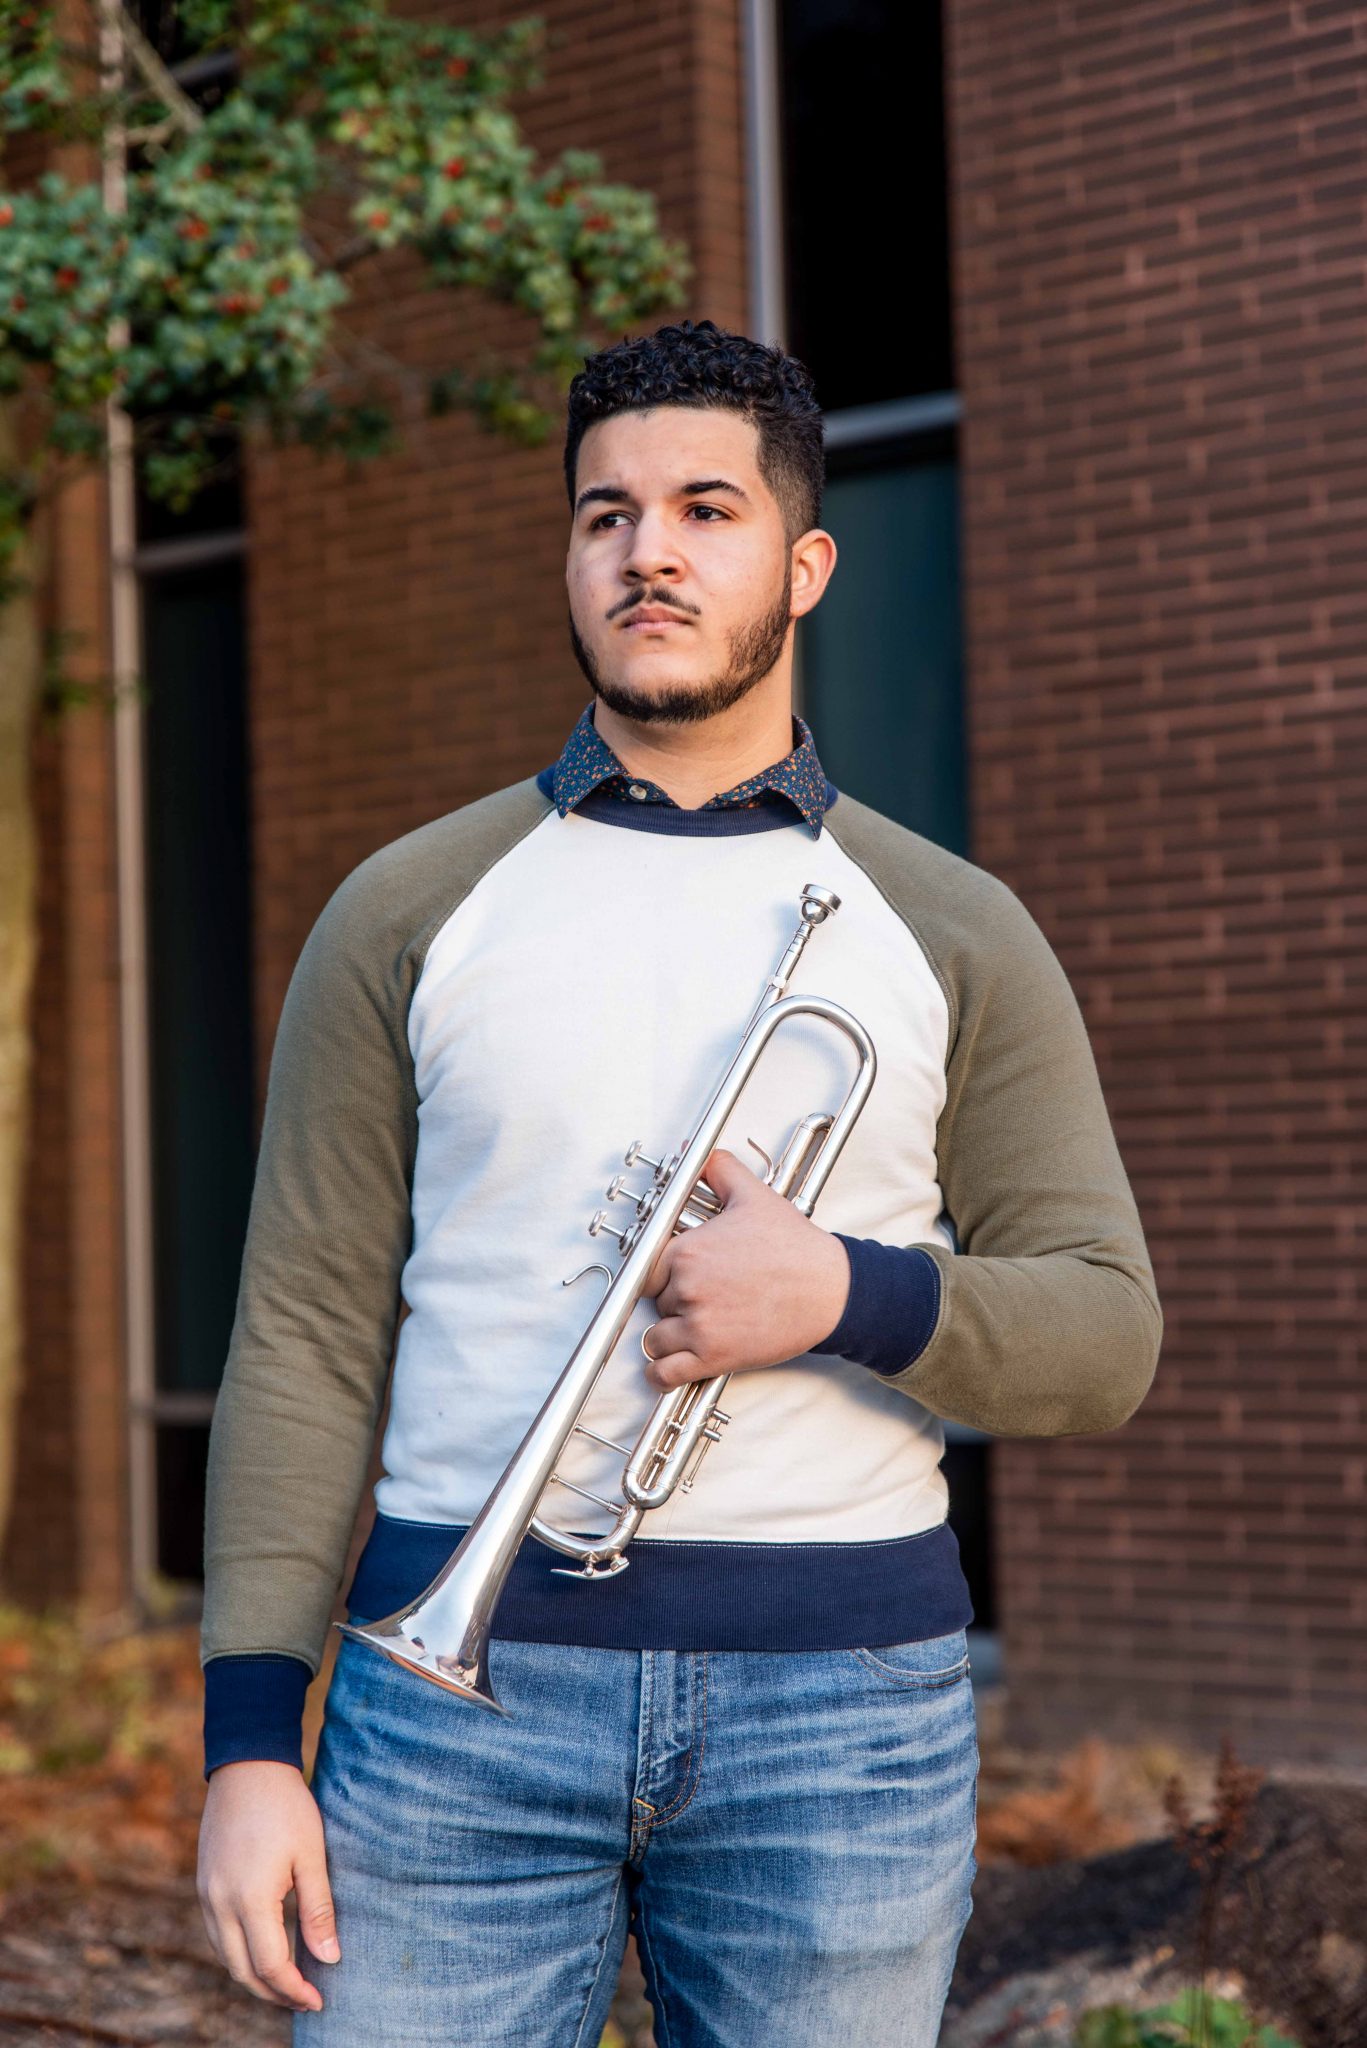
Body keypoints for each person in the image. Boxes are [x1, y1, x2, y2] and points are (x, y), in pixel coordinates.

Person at [195, 318, 1163, 2047]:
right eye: (603, 515)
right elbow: (304, 1339)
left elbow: (1106, 1336)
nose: (648, 549)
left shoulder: (950, 926)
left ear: (802, 565)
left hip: (843, 1720)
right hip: (446, 1720)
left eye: (705, 509)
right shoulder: (411, 908)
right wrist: (250, 1746)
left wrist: (846, 1294)